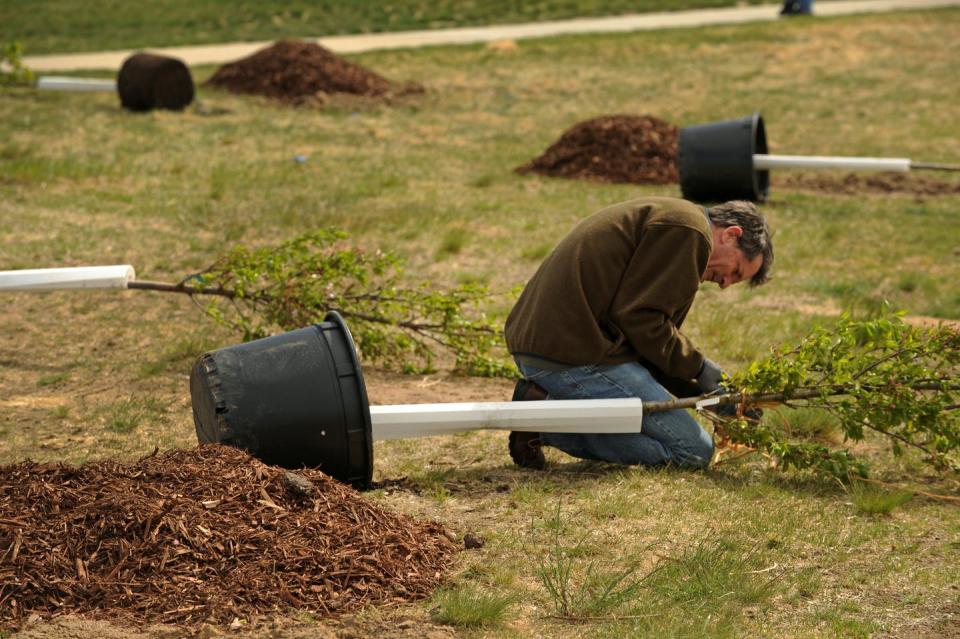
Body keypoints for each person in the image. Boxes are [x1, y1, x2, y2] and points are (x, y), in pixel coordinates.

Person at [504, 196, 773, 470]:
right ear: (731, 234)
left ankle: (541, 411)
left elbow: (646, 341)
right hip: (569, 353)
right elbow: (642, 321)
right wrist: (700, 367)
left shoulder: (681, 222)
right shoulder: (691, 233)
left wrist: (705, 395)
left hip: (552, 344)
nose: (725, 284)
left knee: (672, 440)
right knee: (692, 453)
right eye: (735, 271)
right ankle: (538, 423)